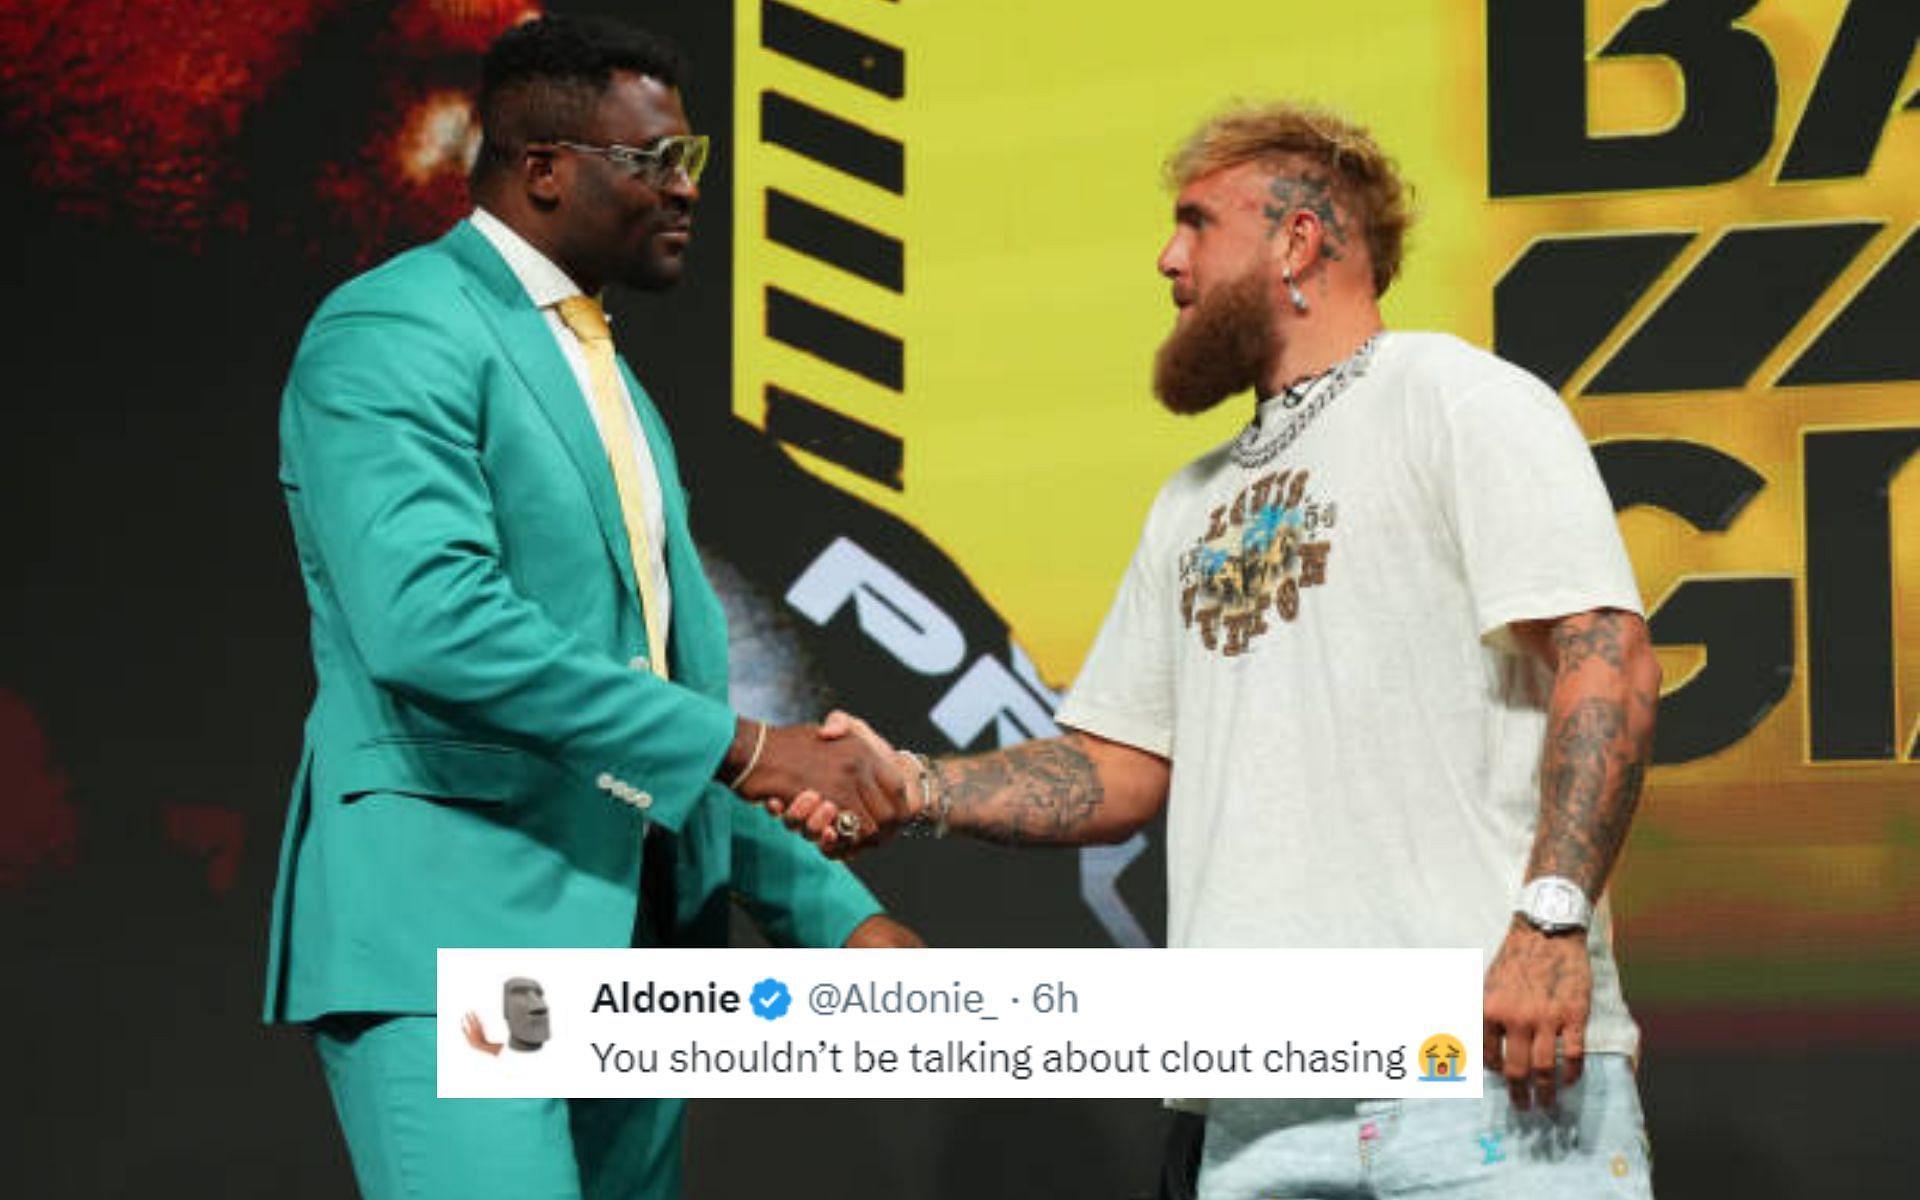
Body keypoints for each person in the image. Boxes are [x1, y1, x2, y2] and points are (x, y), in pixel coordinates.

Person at [786, 101, 1662, 1199]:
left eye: (1197, 224)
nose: (1168, 258)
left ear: (1299, 240)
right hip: (1252, 1102)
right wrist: (911, 784)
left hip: (1481, 1070)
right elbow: (1114, 770)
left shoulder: (1460, 401)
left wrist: (1551, 920)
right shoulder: (1189, 500)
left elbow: (1609, 656)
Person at [261, 15, 917, 1200]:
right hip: (455, 939)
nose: (687, 190)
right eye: (655, 160)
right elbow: (431, 619)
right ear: (545, 168)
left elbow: (664, 706)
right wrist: (750, 747)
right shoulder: (394, 328)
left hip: (632, 947)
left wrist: (834, 914)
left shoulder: (612, 382)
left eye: (692, 160)